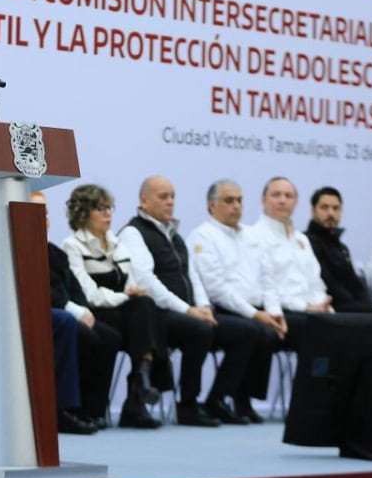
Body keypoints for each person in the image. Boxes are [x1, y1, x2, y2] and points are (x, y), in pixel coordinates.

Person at [118, 175, 272, 426]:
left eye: (172, 196)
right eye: (163, 197)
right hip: (155, 314)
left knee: (247, 331)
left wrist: (203, 307)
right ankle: (187, 405)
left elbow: (193, 276)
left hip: (187, 312)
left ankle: (217, 400)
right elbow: (147, 282)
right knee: (199, 330)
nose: (170, 202)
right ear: (144, 201)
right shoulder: (133, 232)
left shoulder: (175, 236)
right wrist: (188, 310)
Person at [61, 184, 174, 429]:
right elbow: (90, 294)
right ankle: (138, 392)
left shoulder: (117, 244)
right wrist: (124, 296)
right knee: (143, 315)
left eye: (109, 208)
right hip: (94, 311)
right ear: (83, 213)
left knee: (145, 306)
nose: (107, 214)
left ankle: (140, 382)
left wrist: (128, 295)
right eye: (100, 209)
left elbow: (132, 284)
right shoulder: (72, 246)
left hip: (125, 313)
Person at [187, 179, 282, 423]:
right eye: (229, 200)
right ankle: (217, 399)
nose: (237, 206)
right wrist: (255, 314)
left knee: (269, 333)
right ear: (211, 205)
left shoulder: (252, 235)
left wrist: (274, 312)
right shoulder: (202, 236)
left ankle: (243, 400)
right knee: (249, 331)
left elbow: (268, 278)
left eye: (239, 200)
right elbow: (216, 289)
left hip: (254, 309)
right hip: (219, 310)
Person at [32, 190, 121, 432]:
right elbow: (42, 292)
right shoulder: (16, 249)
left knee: (109, 336)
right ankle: (64, 409)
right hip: (38, 315)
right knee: (71, 326)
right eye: (36, 212)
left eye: (46, 212)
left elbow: (74, 289)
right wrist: (75, 312)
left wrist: (83, 310)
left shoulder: (56, 254)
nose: (44, 218)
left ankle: (93, 410)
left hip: (64, 313)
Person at [242, 177, 333, 352]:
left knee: (349, 329)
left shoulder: (302, 239)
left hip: (312, 311)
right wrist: (306, 307)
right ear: (263, 200)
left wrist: (322, 306)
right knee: (322, 333)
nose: (282, 200)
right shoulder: (252, 237)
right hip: (279, 311)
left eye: (288, 196)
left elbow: (316, 282)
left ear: (296, 202)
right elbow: (266, 288)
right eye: (276, 195)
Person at [304, 186, 372, 314]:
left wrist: (371, 307)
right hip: (328, 309)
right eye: (324, 207)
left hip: (350, 308)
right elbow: (328, 283)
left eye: (336, 208)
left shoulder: (342, 248)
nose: (331, 213)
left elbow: (355, 284)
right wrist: (369, 310)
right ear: (313, 211)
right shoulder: (306, 242)